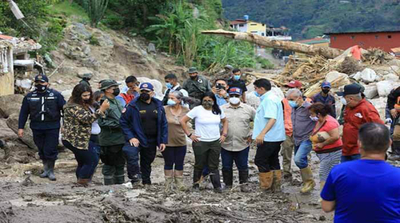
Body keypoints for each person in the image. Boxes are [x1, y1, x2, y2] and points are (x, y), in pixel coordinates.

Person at [321, 123, 400, 222]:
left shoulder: (339, 171)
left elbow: (327, 207)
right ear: (389, 143)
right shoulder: (397, 175)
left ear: (359, 143)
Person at [18, 74, 65, 181]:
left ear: (47, 83)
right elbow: (23, 113)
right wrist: (20, 127)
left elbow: (65, 110)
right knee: (41, 149)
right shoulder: (29, 96)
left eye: (42, 82)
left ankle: (51, 170)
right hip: (36, 127)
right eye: (37, 83)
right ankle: (45, 169)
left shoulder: (56, 95)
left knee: (51, 149)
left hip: (52, 126)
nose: (40, 85)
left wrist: (64, 125)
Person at [120, 82, 168, 187]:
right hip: (136, 138)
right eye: (142, 91)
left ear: (152, 93)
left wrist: (163, 141)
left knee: (147, 161)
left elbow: (163, 124)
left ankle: (146, 182)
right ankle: (135, 178)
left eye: (147, 91)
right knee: (130, 154)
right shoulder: (132, 105)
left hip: (151, 139)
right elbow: (123, 122)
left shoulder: (158, 105)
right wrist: (131, 137)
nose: (144, 93)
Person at [62, 84, 110, 186]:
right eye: (84, 96)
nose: (87, 97)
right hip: (78, 139)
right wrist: (101, 110)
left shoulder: (90, 104)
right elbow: (86, 119)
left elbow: (101, 116)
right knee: (92, 160)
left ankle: (83, 180)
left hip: (91, 137)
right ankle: (82, 181)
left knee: (84, 161)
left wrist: (100, 108)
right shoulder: (72, 107)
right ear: (77, 95)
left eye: (88, 95)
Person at [180, 92, 228, 193]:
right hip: (200, 142)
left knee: (214, 165)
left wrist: (224, 134)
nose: (207, 103)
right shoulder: (197, 110)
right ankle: (196, 185)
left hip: (215, 141)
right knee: (199, 164)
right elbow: (182, 121)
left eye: (209, 101)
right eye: (205, 100)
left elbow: (225, 121)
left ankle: (217, 186)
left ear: (213, 101)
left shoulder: (218, 110)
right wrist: (190, 135)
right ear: (201, 101)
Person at [252, 79, 285, 192]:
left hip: (270, 137)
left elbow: (272, 119)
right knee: (273, 160)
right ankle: (275, 186)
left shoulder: (269, 100)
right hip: (275, 136)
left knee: (260, 160)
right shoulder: (271, 98)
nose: (255, 91)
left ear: (261, 89)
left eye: (256, 89)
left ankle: (266, 186)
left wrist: (262, 134)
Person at [337, 83, 384, 162]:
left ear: (351, 98)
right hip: (346, 149)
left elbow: (380, 129)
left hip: (360, 151)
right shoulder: (348, 107)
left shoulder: (366, 109)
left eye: (343, 97)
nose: (342, 99)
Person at [221, 88, 255, 192]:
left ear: (241, 96)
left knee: (243, 165)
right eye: (232, 96)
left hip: (242, 143)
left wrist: (252, 134)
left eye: (236, 96)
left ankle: (243, 184)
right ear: (228, 96)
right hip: (225, 143)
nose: (234, 98)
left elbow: (258, 122)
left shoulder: (248, 109)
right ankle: (227, 185)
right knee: (226, 165)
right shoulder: (221, 109)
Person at [286, 88, 317, 193]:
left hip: (306, 138)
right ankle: (307, 182)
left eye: (291, 99)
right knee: (300, 160)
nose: (290, 101)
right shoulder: (294, 108)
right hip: (296, 138)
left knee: (299, 159)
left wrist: (314, 134)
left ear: (299, 98)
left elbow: (320, 120)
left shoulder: (309, 108)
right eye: (288, 99)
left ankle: (309, 181)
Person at [309, 102, 342, 198]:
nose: (311, 116)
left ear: (318, 114)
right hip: (324, 153)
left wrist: (322, 144)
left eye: (312, 114)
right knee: (329, 173)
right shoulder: (320, 120)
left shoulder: (330, 122)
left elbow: (335, 137)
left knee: (324, 173)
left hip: (332, 152)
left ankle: (325, 197)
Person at [98, 79, 126, 185]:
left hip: (120, 138)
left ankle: (119, 186)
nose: (116, 89)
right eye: (114, 88)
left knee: (120, 164)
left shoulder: (117, 101)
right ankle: (109, 187)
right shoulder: (103, 103)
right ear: (107, 90)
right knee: (109, 164)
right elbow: (102, 122)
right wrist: (119, 125)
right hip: (109, 139)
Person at [162, 91, 190, 193]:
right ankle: (168, 185)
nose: (170, 100)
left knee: (179, 163)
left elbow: (190, 124)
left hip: (181, 140)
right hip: (167, 141)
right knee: (168, 163)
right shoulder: (164, 109)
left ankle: (179, 184)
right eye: (169, 97)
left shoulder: (186, 110)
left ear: (179, 100)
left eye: (173, 98)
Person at [281, 80, 303, 180]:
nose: (289, 90)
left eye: (292, 88)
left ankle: (305, 176)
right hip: (287, 131)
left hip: (301, 133)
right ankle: (287, 174)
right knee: (286, 154)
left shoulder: (307, 103)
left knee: (302, 156)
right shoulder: (284, 101)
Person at [386, 86, 400, 160]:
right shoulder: (397, 90)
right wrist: (392, 108)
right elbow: (390, 99)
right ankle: (397, 153)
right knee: (396, 134)